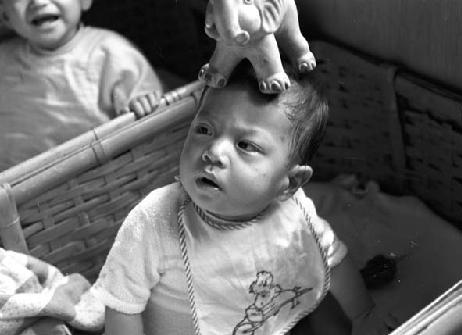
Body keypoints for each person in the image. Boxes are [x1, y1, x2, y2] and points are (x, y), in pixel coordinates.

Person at [91, 62, 396, 335]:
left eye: (246, 145)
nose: (213, 152)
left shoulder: (293, 213)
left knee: (325, 318)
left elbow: (333, 261)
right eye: (204, 129)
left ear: (290, 183)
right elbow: (122, 303)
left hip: (268, 323)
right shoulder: (155, 219)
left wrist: (364, 314)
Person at [0, 0, 163, 171]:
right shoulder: (3, 60)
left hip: (100, 178)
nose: (38, 2)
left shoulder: (111, 52)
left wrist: (141, 102)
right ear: (5, 16)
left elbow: (151, 112)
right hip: (15, 186)